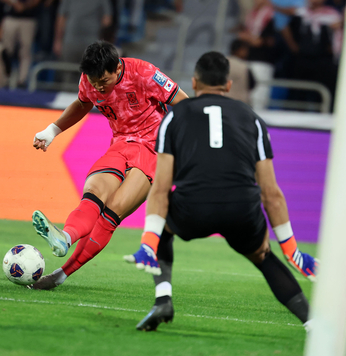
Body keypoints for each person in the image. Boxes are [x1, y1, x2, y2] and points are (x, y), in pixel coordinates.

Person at [127, 51, 311, 331]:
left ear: (194, 83)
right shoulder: (252, 119)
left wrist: (148, 243)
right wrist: (292, 249)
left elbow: (161, 189)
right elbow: (270, 193)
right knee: (263, 256)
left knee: (164, 229)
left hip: (192, 208)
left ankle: (163, 299)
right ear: (227, 85)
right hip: (241, 209)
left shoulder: (173, 118)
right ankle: (313, 323)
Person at [28, 40, 188, 290]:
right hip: (121, 145)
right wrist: (52, 130)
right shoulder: (89, 81)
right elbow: (82, 104)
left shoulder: (144, 73)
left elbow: (185, 103)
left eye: (103, 81)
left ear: (117, 69)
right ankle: (65, 237)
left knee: (111, 213)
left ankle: (60, 275)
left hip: (154, 150)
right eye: (93, 82)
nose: (98, 88)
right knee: (93, 193)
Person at [0, 0, 42, 86]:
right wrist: (14, 3)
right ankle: (4, 78)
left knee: (25, 51)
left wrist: (25, 6)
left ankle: (22, 81)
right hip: (11, 16)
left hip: (28, 18)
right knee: (6, 50)